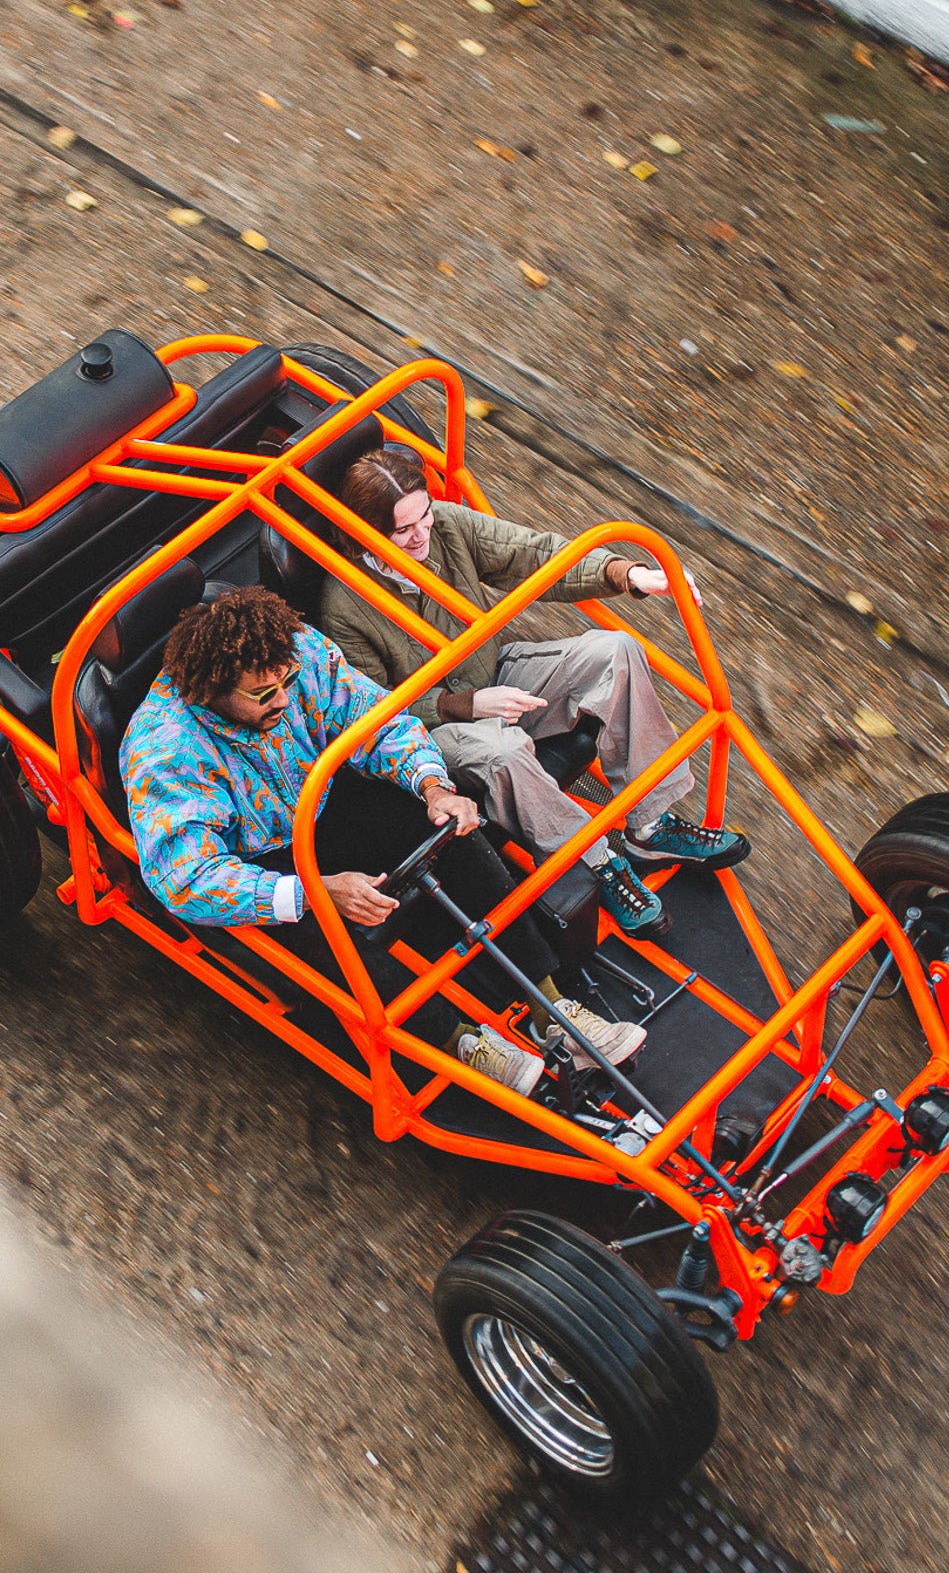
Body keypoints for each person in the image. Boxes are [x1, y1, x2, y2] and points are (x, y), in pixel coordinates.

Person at [119, 585, 646, 1093]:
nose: (284, 697)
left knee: (448, 829)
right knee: (319, 927)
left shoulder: (295, 650)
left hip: (322, 802)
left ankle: (548, 1005)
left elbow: (379, 720)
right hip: (260, 860)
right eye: (264, 694)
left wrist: (434, 786)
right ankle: (459, 1041)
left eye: (288, 682)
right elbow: (186, 878)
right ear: (213, 691)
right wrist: (316, 891)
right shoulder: (165, 751)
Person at [315, 445, 748, 938]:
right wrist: (467, 706)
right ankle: (598, 862)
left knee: (616, 650)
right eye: (404, 530)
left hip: (492, 671)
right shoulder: (342, 605)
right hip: (433, 725)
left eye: (426, 516)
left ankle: (650, 825)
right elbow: (371, 708)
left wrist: (627, 575)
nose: (422, 535)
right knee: (504, 748)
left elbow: (534, 553)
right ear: (368, 535)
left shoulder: (448, 528)